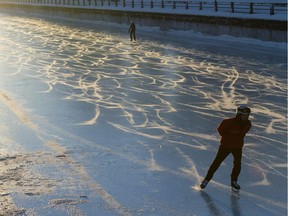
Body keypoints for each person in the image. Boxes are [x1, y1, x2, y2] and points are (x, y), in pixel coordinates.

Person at [200, 105, 252, 190]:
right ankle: (206, 180)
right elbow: (221, 131)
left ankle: (234, 181)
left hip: (238, 147)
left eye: (247, 115)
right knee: (216, 163)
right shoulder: (228, 122)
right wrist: (228, 139)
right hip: (225, 146)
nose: (246, 117)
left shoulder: (248, 124)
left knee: (237, 164)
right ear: (239, 115)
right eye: (244, 115)